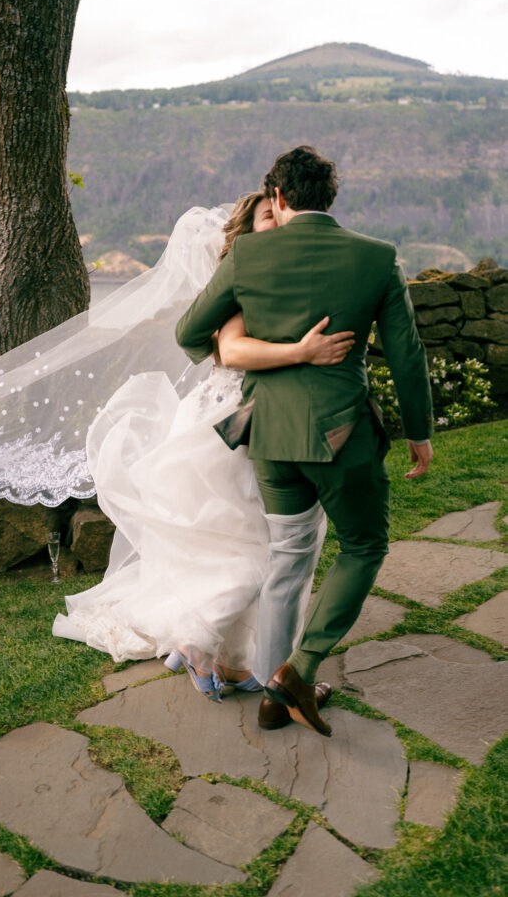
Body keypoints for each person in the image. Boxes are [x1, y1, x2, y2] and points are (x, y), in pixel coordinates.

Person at [54, 193, 353, 709]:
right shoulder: (240, 278)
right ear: (244, 230)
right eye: (268, 216)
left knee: (239, 544)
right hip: (232, 423)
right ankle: (200, 640)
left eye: (281, 214)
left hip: (253, 417)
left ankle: (236, 662)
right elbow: (231, 349)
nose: (280, 221)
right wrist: (303, 352)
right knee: (265, 548)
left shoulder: (282, 274)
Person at [176, 145, 433, 735]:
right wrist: (419, 430)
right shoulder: (377, 258)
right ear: (329, 198)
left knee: (288, 557)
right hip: (343, 437)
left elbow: (190, 331)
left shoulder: (248, 254)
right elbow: (407, 354)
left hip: (267, 434)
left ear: (281, 197)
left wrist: (260, 353)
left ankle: (275, 690)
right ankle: (302, 665)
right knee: (365, 545)